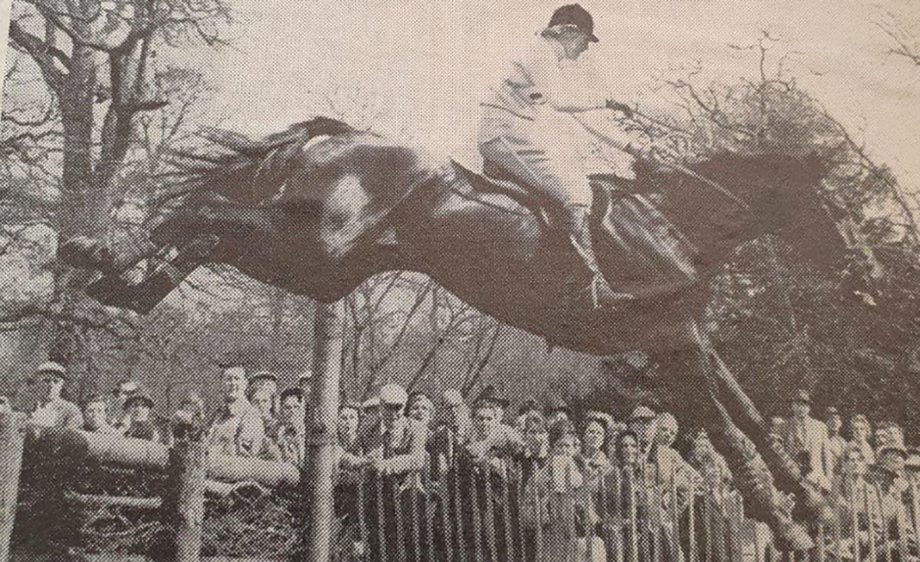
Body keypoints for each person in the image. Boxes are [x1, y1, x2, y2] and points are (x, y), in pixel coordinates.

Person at [478, 3, 635, 308]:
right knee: (577, 192)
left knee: (575, 178)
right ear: (567, 31)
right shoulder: (539, 52)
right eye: (585, 41)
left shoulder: (547, 59)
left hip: (514, 131)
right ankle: (587, 287)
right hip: (503, 132)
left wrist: (631, 147)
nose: (585, 49)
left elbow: (582, 117)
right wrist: (609, 100)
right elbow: (563, 102)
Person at [523, 420, 604, 562]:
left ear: (574, 448)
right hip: (551, 544)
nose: (564, 451)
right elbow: (527, 518)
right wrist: (545, 503)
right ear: (552, 448)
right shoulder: (539, 478)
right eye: (559, 446)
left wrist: (581, 506)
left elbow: (594, 518)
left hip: (579, 546)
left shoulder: (584, 475)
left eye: (568, 446)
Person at [207, 364, 265, 458]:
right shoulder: (218, 415)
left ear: (245, 384)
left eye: (237, 379)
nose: (233, 383)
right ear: (221, 384)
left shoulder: (251, 415)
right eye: (228, 379)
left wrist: (209, 451)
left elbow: (244, 455)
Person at [782, 389, 832, 490]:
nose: (801, 408)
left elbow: (826, 455)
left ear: (809, 407)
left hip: (817, 480)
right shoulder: (784, 427)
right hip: (793, 480)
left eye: (804, 404)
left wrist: (828, 479)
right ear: (792, 405)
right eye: (797, 404)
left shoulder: (820, 427)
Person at [29, 361, 83, 430]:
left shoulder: (71, 410)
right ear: (38, 383)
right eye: (46, 381)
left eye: (56, 381)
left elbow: (70, 437)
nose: (51, 385)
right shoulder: (28, 407)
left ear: (62, 384)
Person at [275, 387, 307, 466]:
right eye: (287, 407)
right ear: (281, 410)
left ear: (303, 409)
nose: (292, 411)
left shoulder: (312, 433)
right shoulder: (274, 434)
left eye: (296, 407)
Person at [825, 407, 847, 478]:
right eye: (831, 419)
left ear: (840, 423)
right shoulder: (821, 440)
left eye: (837, 419)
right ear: (826, 422)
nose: (834, 422)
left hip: (839, 478)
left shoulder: (843, 442)